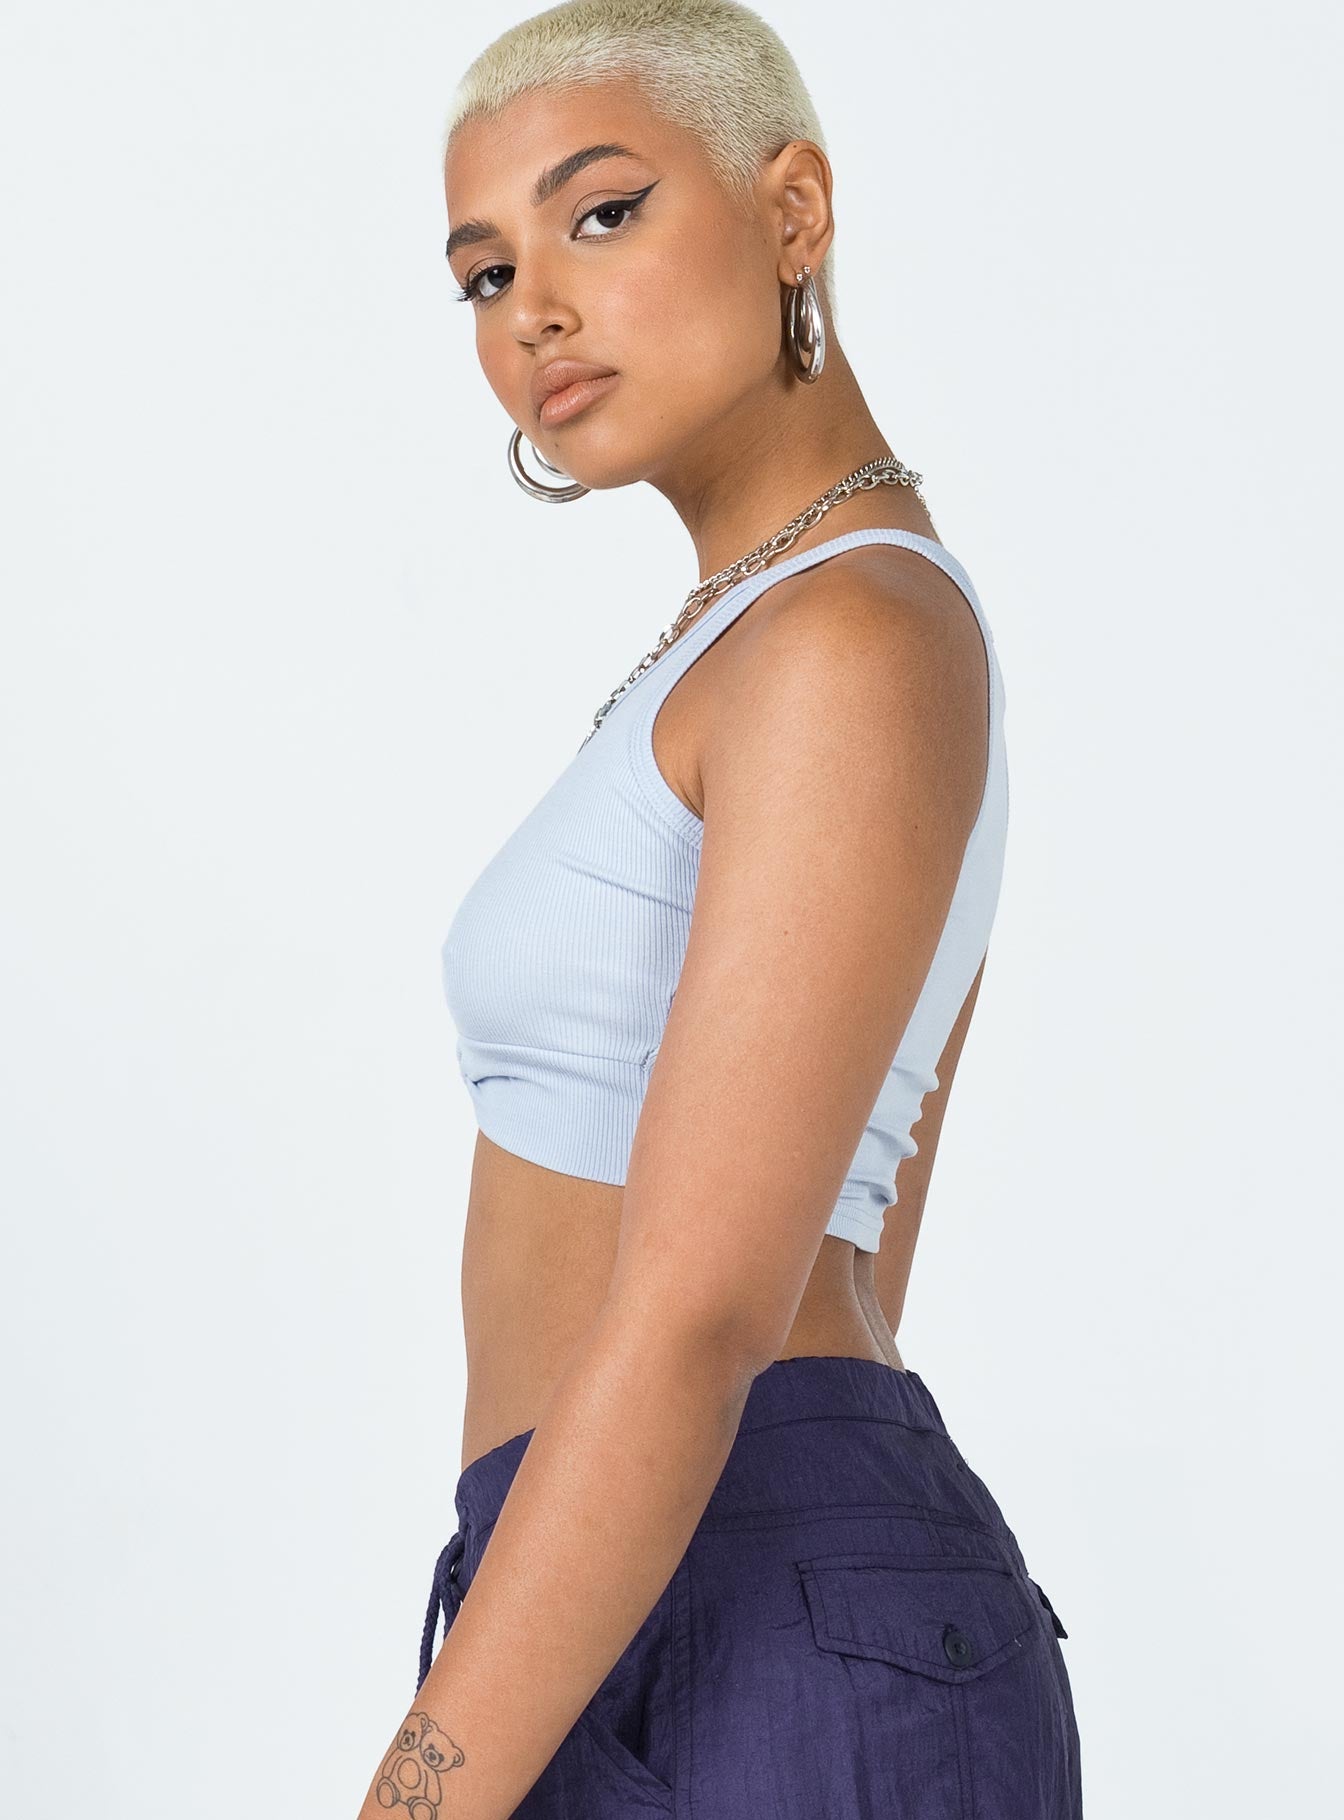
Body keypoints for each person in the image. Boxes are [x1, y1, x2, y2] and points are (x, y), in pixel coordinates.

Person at [356, 2, 1083, 1814]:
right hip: (650, 1566)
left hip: (750, 1583)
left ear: (792, 211)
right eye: (484, 272)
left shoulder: (849, 634)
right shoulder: (772, 633)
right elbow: (861, 1216)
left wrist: (416, 1796)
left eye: (602, 213)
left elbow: (698, 1312)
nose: (533, 308)